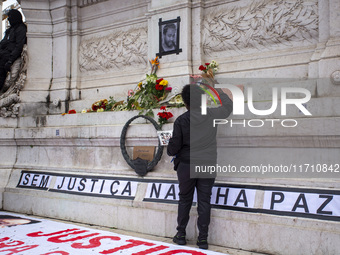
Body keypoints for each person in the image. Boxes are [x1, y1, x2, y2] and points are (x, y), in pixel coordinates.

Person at [167, 84, 234, 249]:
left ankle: (181, 234)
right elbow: (228, 106)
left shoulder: (181, 121)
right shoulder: (211, 114)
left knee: (185, 199)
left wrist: (170, 144)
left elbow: (172, 150)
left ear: (185, 102)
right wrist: (214, 89)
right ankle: (203, 239)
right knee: (204, 201)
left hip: (187, 166)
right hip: (207, 164)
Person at [0, 9, 27, 92]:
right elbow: (3, 43)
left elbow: (19, 47)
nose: (8, 19)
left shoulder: (21, 29)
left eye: (10, 17)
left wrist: (10, 61)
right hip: (3, 54)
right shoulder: (9, 30)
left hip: (9, 56)